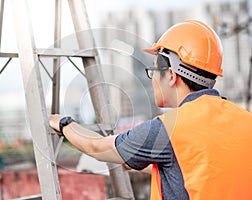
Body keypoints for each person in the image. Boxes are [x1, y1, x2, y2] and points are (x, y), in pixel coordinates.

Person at [49, 20, 252, 200]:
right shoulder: (245, 121)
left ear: (171, 75)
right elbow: (199, 169)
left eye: (154, 70)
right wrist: (138, 158)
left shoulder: (169, 129)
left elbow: (97, 147)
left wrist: (63, 124)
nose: (153, 78)